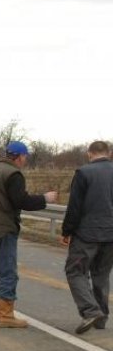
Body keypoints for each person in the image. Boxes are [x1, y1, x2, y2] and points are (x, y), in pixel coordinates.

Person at [0, 141, 58, 328]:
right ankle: (5, 315)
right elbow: (22, 201)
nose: (25, 160)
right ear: (20, 156)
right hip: (3, 230)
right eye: (25, 157)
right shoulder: (13, 174)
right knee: (7, 272)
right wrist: (45, 198)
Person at [60, 140, 113, 334]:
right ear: (108, 153)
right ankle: (101, 319)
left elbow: (75, 207)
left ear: (89, 153)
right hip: (111, 235)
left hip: (87, 234)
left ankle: (90, 311)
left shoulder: (84, 173)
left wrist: (67, 231)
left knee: (75, 271)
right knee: (101, 275)